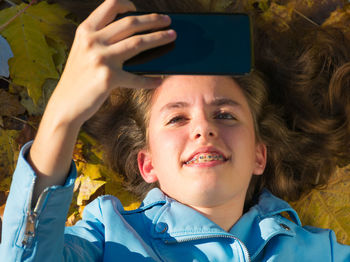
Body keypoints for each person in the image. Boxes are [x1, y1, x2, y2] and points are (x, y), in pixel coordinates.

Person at [1, 0, 350, 261]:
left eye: (226, 114)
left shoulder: (324, 252)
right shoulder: (106, 238)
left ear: (260, 154)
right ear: (147, 163)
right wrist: (62, 115)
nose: (204, 127)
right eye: (176, 119)